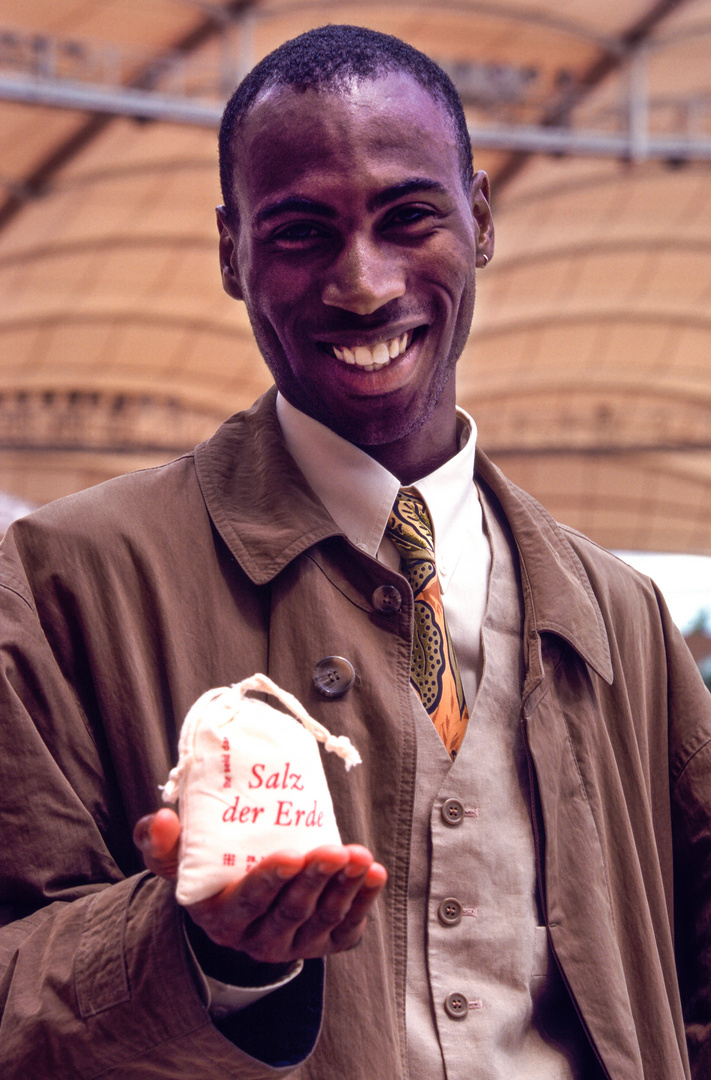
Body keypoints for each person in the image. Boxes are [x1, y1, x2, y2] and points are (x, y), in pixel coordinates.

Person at [0, 23, 709, 1080]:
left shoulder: (624, 615)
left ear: (479, 218)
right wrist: (208, 952)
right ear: (231, 253)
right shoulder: (62, 583)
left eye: (409, 216)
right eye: (299, 232)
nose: (364, 284)